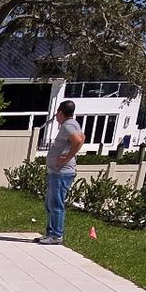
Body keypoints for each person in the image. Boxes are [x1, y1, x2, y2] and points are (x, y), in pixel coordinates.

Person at [38, 100, 84, 244]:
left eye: (57, 113)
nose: (56, 116)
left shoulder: (68, 125)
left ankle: (56, 235)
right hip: (57, 172)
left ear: (61, 112)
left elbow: (78, 140)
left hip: (61, 173)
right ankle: (50, 233)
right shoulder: (73, 124)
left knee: (56, 204)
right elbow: (83, 138)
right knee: (50, 204)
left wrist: (67, 158)